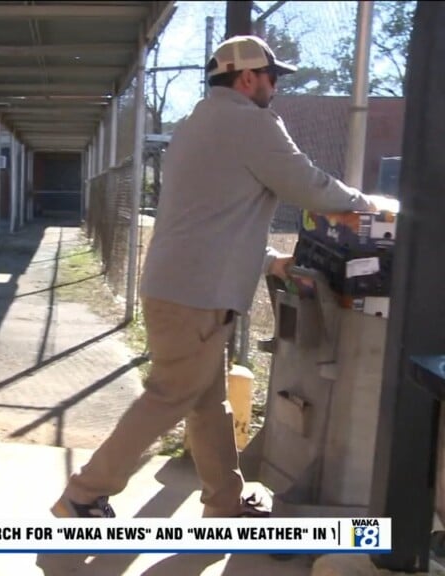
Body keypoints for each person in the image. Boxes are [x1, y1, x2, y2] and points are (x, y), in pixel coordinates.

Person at [51, 35, 382, 519]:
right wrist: (369, 207)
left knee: (207, 405)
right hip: (195, 296)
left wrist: (269, 258)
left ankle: (224, 502)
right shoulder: (249, 122)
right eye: (272, 77)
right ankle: (83, 493)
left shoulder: (197, 122)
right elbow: (308, 185)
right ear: (247, 78)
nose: (275, 87)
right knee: (171, 396)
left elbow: (214, 214)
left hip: (182, 288)